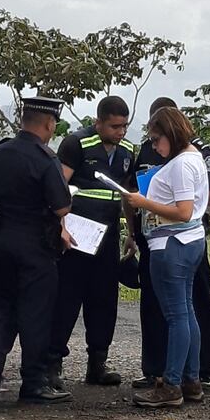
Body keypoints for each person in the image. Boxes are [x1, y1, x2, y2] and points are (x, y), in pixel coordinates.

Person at [0, 97, 75, 404]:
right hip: (35, 245)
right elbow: (62, 206)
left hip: (1, 239)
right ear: (48, 124)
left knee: (4, 304)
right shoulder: (45, 160)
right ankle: (32, 383)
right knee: (36, 313)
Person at [131, 97, 210, 390]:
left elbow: (184, 211)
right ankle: (191, 377)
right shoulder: (189, 158)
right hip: (183, 242)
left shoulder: (182, 164)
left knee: (176, 316)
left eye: (157, 140)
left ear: (170, 134)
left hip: (174, 244)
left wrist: (144, 202)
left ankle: (172, 382)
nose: (154, 147)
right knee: (185, 311)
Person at [47, 95, 136, 387]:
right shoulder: (76, 143)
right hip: (76, 235)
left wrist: (131, 234)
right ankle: (53, 364)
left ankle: (97, 363)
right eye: (114, 126)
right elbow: (58, 188)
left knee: (104, 300)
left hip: (108, 236)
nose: (120, 132)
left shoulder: (127, 150)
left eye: (124, 126)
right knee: (67, 299)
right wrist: (60, 226)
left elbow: (128, 195)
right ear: (98, 122)